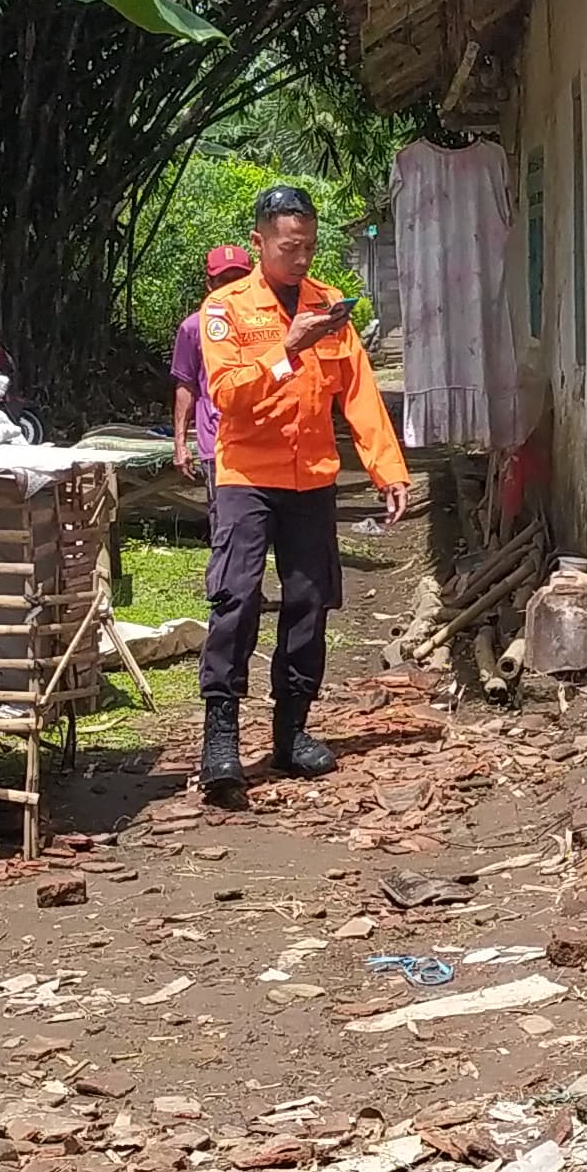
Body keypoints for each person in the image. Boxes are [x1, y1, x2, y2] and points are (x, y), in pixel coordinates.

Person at [197, 183, 411, 793]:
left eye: (309, 246)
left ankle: (291, 733)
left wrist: (386, 469)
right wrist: (286, 351)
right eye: (289, 246)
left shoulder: (330, 307)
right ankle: (221, 739)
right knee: (236, 600)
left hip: (312, 479)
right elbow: (228, 396)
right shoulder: (227, 310)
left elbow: (359, 394)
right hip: (246, 477)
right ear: (258, 243)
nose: (301, 258)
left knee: (308, 604)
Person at [167, 241, 254, 476]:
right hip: (217, 443)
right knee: (224, 512)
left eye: (239, 280)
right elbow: (186, 385)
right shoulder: (193, 328)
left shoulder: (266, 324)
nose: (231, 289)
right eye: (223, 282)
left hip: (263, 442)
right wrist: (180, 444)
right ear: (209, 285)